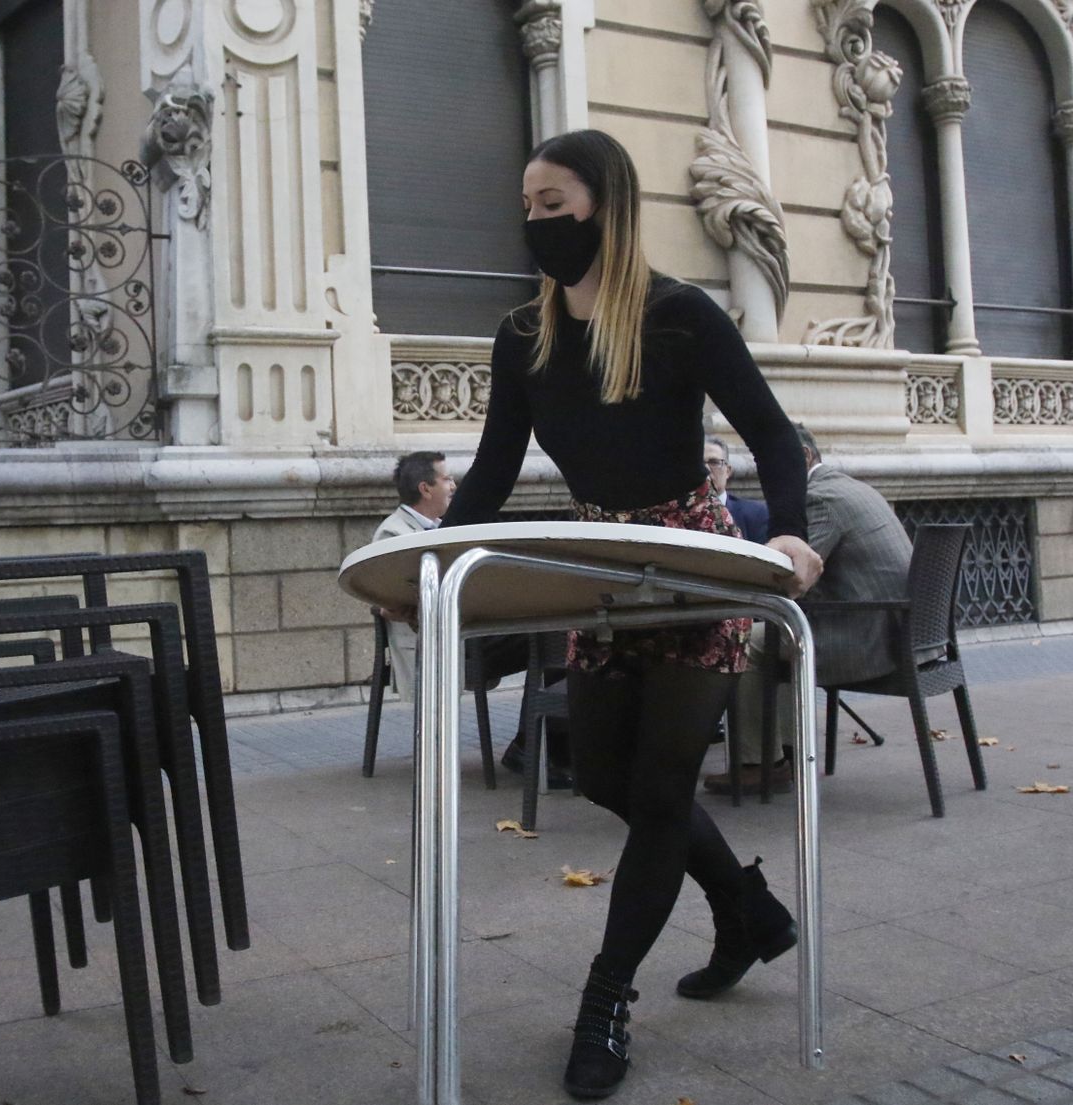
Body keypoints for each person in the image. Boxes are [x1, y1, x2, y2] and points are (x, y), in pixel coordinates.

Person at [438, 130, 823, 1100]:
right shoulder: (522, 336)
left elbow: (772, 434)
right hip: (604, 570)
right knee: (603, 771)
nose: (536, 223)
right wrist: (425, 557)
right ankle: (743, 906)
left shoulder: (680, 314)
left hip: (696, 567)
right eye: (528, 206)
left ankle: (605, 1000)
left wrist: (790, 534)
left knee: (657, 791)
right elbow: (487, 471)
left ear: (605, 206)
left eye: (554, 204)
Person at [703, 425, 915, 794]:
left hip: (866, 641)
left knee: (745, 640)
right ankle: (790, 752)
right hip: (892, 631)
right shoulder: (847, 486)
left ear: (800, 457)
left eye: (769, 464)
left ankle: (759, 763)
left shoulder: (820, 499)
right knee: (777, 633)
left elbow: (787, 579)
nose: (765, 475)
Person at [369, 452, 454, 697]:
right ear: (425, 489)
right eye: (447, 479)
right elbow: (392, 599)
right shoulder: (393, 534)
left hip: (455, 636)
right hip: (428, 647)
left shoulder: (442, 527)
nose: (453, 486)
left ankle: (529, 731)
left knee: (539, 638)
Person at [706, 435, 769, 544]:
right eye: (699, 463)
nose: (706, 469)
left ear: (728, 471)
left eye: (714, 462)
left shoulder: (755, 515)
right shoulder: (676, 515)